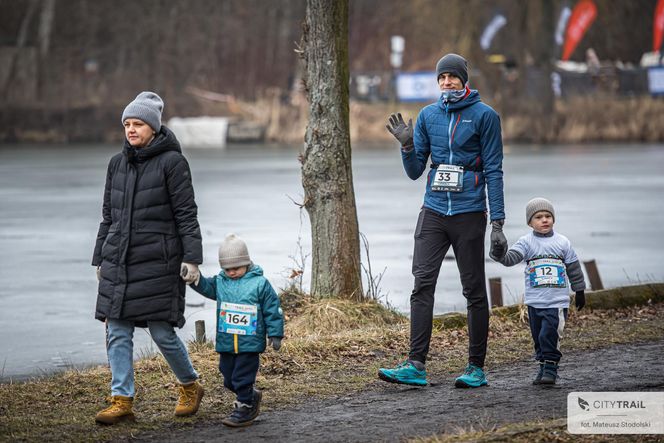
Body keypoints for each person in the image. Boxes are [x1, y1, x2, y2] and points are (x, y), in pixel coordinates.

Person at [379, 53, 507, 388]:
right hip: (433, 211)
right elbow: (414, 172)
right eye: (441, 78)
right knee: (422, 285)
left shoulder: (485, 116)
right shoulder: (427, 116)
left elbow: (494, 171)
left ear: (464, 80)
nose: (446, 83)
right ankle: (415, 365)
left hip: (468, 213)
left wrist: (497, 223)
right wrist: (407, 146)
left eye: (452, 77)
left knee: (474, 291)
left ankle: (475, 368)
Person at [92, 91, 204, 424]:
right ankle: (121, 399)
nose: (131, 129)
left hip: (159, 260)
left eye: (138, 123)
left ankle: (190, 385)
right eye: (127, 123)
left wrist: (192, 259)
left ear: (153, 127)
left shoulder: (173, 163)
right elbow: (108, 216)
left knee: (162, 332)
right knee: (117, 330)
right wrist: (100, 257)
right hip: (119, 260)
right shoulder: (117, 164)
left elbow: (187, 214)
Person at [187, 233, 284, 427]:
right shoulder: (221, 282)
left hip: (250, 343)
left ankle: (245, 407)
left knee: (242, 378)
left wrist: (275, 333)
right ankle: (250, 395)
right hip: (227, 341)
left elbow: (272, 308)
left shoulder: (259, 283)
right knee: (228, 378)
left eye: (236, 268)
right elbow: (206, 287)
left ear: (246, 263)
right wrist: (193, 279)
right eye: (227, 269)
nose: (231, 272)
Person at [497, 198, 586, 385]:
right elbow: (511, 258)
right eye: (538, 217)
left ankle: (551, 367)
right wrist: (499, 253)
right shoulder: (526, 242)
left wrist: (579, 290)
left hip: (556, 302)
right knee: (538, 336)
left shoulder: (562, 242)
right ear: (530, 222)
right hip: (534, 301)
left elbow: (574, 268)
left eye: (548, 216)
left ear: (553, 219)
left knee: (550, 334)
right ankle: (542, 366)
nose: (544, 220)